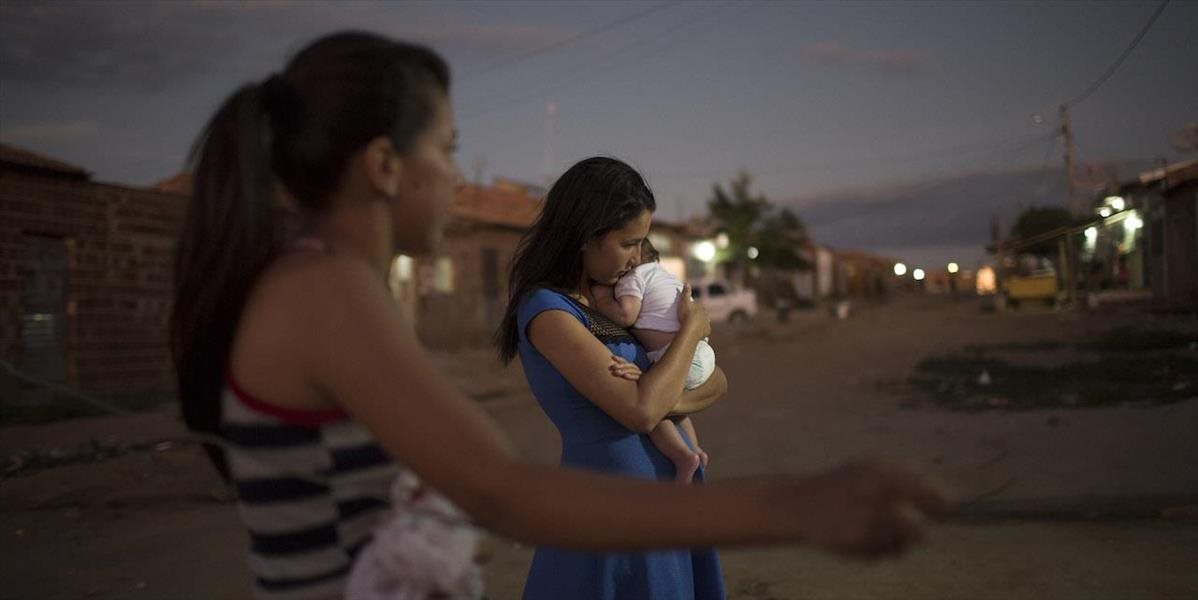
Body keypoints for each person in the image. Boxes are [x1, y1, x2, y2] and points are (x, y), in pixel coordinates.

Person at [171, 31, 954, 600]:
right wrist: (793, 505)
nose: (454, 175)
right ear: (383, 166)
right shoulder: (327, 294)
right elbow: (503, 489)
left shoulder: (320, 287)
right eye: (447, 149)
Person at [590, 237, 713, 483]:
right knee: (676, 410)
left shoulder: (633, 278)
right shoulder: (665, 276)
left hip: (677, 354)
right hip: (702, 352)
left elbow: (626, 314)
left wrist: (603, 301)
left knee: (657, 410)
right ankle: (695, 449)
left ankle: (682, 457)